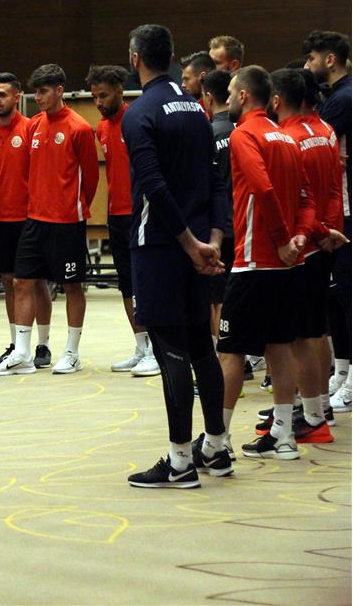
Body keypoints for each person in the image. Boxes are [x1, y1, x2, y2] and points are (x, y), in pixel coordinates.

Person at [120, 25, 230, 489]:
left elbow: (153, 186)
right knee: (202, 346)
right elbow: (217, 181)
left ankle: (181, 461)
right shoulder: (197, 110)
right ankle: (217, 448)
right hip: (200, 245)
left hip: (162, 247)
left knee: (172, 354)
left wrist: (188, 244)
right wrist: (213, 241)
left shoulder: (139, 113)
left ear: (135, 58)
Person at [217, 65, 315, 461]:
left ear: (243, 96)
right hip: (288, 265)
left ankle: (216, 441)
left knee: (230, 351)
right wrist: (299, 238)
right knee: (280, 346)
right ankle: (284, 436)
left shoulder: (244, 134)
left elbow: (261, 187)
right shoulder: (286, 137)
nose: (226, 98)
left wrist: (280, 239)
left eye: (230, 92)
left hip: (255, 262)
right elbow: (306, 197)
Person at [251, 69, 347, 445]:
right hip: (323, 240)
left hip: (303, 244)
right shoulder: (326, 131)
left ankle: (311, 415)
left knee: (299, 336)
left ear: (276, 100)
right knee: (315, 329)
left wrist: (313, 234)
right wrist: (329, 230)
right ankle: (315, 407)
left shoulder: (287, 139)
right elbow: (336, 189)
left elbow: (295, 199)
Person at [0, 64, 99, 377]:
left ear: (59, 90)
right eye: (35, 92)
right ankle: (22, 353)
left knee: (72, 286)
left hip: (67, 222)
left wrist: (72, 206)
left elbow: (91, 178)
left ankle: (72, 353)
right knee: (22, 282)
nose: (38, 98)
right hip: (34, 219)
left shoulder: (79, 128)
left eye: (43, 91)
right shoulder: (34, 126)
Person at [86, 65, 158, 376]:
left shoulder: (136, 121)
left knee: (146, 283)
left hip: (140, 212)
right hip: (115, 215)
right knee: (126, 284)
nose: (98, 103)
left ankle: (157, 349)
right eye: (94, 97)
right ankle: (141, 347)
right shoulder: (102, 128)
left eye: (103, 96)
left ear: (119, 91)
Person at [0, 72, 54, 370]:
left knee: (36, 282)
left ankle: (43, 345)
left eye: (3, 95)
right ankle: (16, 345)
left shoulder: (30, 128)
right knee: (8, 281)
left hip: (30, 217)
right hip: (1, 218)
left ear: (17, 97)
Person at [303, 30, 352, 405]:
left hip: (345, 208)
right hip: (339, 207)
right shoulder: (336, 96)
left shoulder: (343, 99)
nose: (308, 65)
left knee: (345, 293)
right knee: (336, 295)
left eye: (311, 59)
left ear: (329, 59)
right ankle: (342, 370)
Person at [201, 70, 235, 346]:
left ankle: (225, 356)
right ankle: (251, 356)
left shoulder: (208, 133)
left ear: (209, 98)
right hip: (247, 226)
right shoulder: (244, 130)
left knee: (218, 299)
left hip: (219, 229)